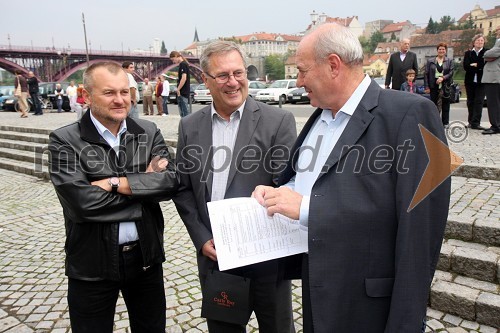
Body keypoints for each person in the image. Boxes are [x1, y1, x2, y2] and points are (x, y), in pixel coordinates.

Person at [252, 23, 451, 332]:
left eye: (303, 70)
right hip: (317, 289)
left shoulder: (411, 113)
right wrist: (281, 193)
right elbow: (310, 183)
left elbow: (420, 230)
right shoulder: (319, 114)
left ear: (333, 65)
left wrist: (406, 323)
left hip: (367, 306)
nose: (298, 80)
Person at [173, 40, 297, 333]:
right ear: (205, 80)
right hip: (217, 258)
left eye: (238, 73)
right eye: (223, 75)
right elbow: (182, 188)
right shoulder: (189, 126)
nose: (233, 82)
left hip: (267, 259)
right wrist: (201, 238)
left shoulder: (278, 120)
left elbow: (291, 182)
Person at [48, 61, 178, 333]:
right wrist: (143, 187)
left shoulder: (148, 131)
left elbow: (170, 182)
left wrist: (113, 183)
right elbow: (82, 204)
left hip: (145, 258)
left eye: (125, 91)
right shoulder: (65, 140)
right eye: (109, 93)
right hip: (91, 263)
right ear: (86, 95)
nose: (121, 100)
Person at [424, 42, 454, 127]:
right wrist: (426, 86)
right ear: (437, 50)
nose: (441, 51)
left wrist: (443, 78)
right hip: (433, 85)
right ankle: (434, 122)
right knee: (433, 104)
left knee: (445, 104)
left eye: (443, 49)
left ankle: (445, 122)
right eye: (440, 49)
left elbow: (451, 73)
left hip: (445, 85)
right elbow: (426, 74)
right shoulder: (430, 61)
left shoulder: (449, 61)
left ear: (446, 51)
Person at [463, 34, 488, 130]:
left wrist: (475, 65)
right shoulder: (468, 53)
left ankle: (476, 122)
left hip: (481, 81)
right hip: (470, 81)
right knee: (470, 101)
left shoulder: (486, 52)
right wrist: (478, 66)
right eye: (478, 41)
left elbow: (484, 65)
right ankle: (470, 121)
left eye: (481, 41)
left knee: (479, 101)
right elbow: (466, 66)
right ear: (474, 42)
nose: (480, 42)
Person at [481, 29, 500, 135]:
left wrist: (486, 54)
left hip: (493, 77)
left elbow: (488, 54)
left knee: (493, 103)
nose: (496, 32)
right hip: (495, 77)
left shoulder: (499, 42)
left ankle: (495, 126)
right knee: (496, 103)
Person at [169, 51, 191, 117]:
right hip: (185, 91)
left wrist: (178, 89)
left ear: (176, 56)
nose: (173, 62)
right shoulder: (184, 64)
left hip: (182, 92)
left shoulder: (183, 64)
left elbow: (184, 78)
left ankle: (185, 127)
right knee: (185, 112)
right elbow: (183, 77)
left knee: (184, 113)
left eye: (173, 60)